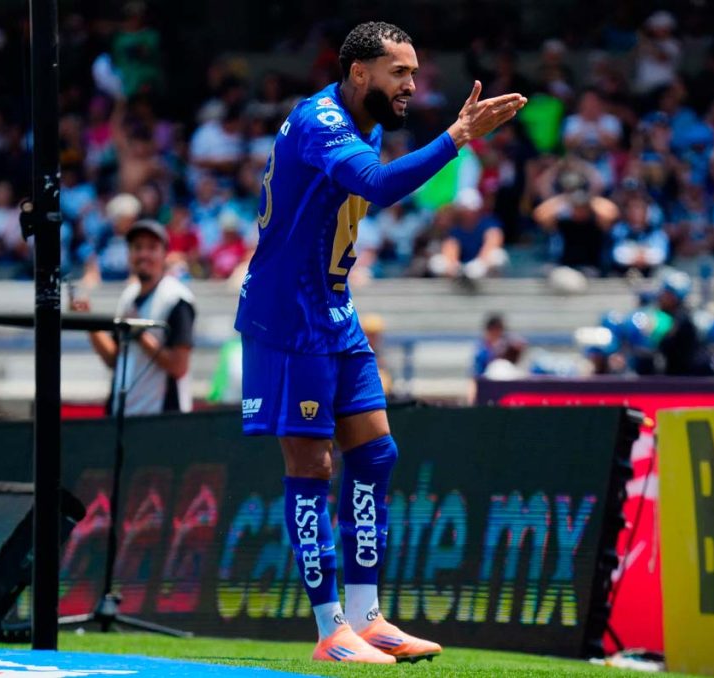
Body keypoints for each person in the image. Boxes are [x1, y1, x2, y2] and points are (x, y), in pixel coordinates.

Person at [234, 21, 525, 664]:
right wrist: (457, 136)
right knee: (313, 466)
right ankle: (330, 630)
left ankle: (367, 618)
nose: (411, 86)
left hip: (334, 310)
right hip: (287, 318)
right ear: (359, 73)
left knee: (375, 454)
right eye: (400, 73)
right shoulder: (322, 123)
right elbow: (378, 186)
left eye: (414, 73)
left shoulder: (362, 122)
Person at [72, 219, 196, 415]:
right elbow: (115, 358)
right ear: (129, 254)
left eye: (152, 247)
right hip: (123, 414)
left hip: (162, 419)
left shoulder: (176, 299)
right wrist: (88, 322)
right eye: (137, 247)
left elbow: (179, 367)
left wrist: (139, 333)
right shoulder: (128, 296)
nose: (143, 254)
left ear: (165, 254)